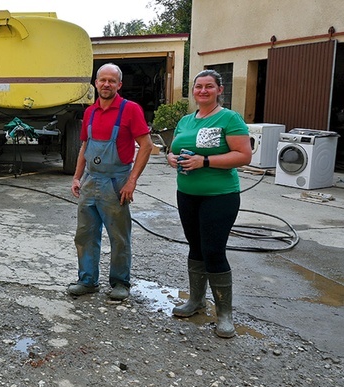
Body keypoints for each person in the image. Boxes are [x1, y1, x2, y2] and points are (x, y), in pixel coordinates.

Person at [167, 69, 251, 338]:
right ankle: (196, 300)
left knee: (214, 251)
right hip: (187, 193)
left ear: (219, 90)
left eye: (209, 87)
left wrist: (204, 161)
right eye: (198, 87)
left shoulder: (229, 118)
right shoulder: (186, 121)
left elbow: (243, 155)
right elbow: (174, 149)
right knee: (196, 247)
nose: (202, 91)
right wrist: (171, 158)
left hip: (220, 195)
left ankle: (224, 314)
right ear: (193, 90)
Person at [68, 63, 153, 301]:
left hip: (116, 182)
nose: (106, 84)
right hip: (90, 181)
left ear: (119, 85)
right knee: (85, 234)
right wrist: (77, 176)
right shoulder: (90, 112)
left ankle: (120, 282)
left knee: (119, 236)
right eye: (102, 80)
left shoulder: (130, 110)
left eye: (111, 81)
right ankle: (87, 281)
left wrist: (131, 181)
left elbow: (146, 146)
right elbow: (84, 146)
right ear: (95, 83)